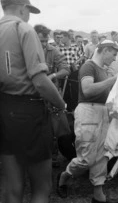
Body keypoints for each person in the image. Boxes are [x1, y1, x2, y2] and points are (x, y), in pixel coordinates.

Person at [0, 0, 65, 203]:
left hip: (4, 109)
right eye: (28, 10)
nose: (29, 15)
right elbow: (39, 81)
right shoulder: (23, 29)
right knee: (41, 187)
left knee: (12, 187)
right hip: (29, 113)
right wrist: (60, 103)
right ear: (22, 8)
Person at [57, 40, 118, 203]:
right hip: (88, 112)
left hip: (102, 112)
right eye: (114, 54)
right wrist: (113, 80)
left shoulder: (103, 70)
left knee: (102, 154)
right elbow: (87, 90)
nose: (115, 59)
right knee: (86, 157)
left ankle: (98, 194)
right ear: (106, 50)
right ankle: (65, 175)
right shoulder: (89, 66)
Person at [34, 24, 70, 168]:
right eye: (40, 40)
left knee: (53, 126)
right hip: (32, 95)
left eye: (45, 41)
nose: (43, 44)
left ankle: (53, 157)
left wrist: (52, 75)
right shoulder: (27, 50)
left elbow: (66, 69)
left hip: (50, 94)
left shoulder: (53, 51)